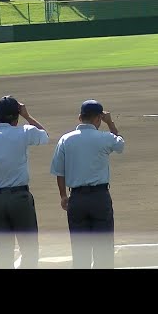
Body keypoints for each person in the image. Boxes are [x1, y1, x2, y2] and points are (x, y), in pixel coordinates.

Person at [0, 96, 49, 269]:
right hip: (20, 199)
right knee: (29, 249)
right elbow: (45, 136)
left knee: (3, 252)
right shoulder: (24, 132)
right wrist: (27, 116)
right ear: (16, 115)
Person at [50, 99, 124, 269]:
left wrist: (63, 196)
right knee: (104, 251)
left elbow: (59, 171)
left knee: (80, 252)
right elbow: (120, 145)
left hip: (77, 199)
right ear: (99, 118)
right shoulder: (104, 137)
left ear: (79, 117)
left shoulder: (66, 139)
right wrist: (110, 122)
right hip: (100, 198)